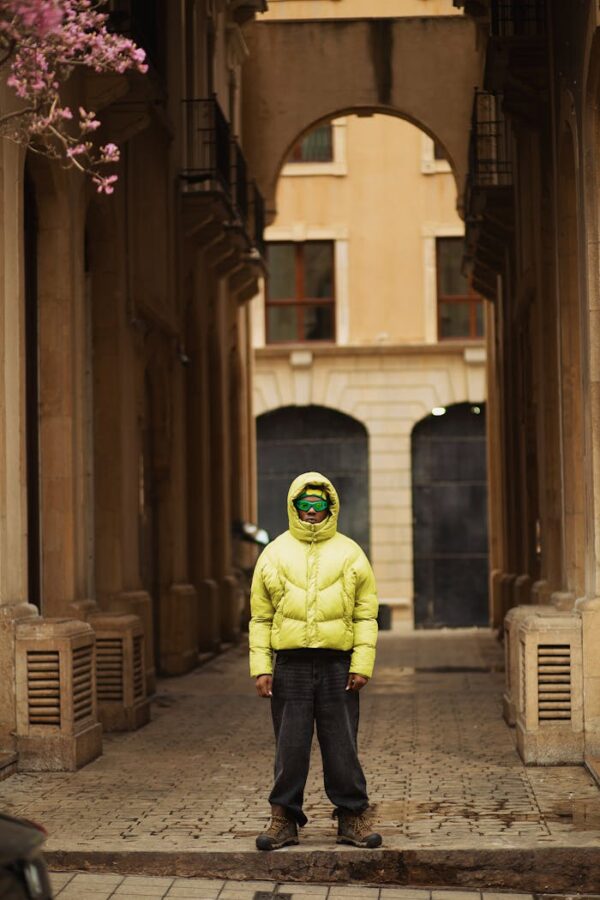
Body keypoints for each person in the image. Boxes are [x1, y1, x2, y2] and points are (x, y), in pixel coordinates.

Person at [249, 471, 381, 851]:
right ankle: (283, 819)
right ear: (293, 506)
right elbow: (260, 617)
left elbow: (365, 614)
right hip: (289, 665)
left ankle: (352, 816)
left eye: (318, 504)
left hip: (337, 664)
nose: (311, 510)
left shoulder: (350, 552)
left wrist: (362, 663)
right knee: (289, 746)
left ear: (330, 506)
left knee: (342, 745)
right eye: (304, 504)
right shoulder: (274, 553)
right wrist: (261, 666)